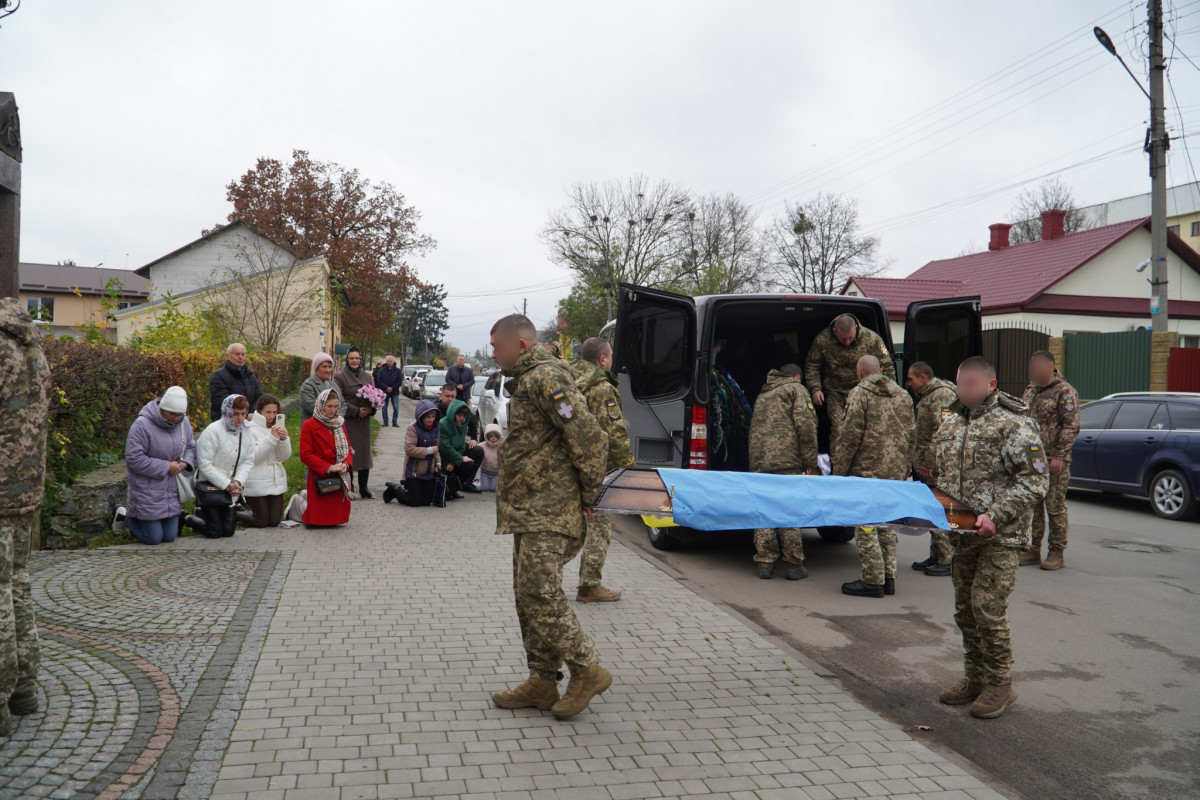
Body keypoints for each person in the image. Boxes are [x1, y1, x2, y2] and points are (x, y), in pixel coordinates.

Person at [488, 313, 611, 720]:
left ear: (521, 346)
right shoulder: (527, 379)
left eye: (497, 346)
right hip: (528, 508)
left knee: (541, 592)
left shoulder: (545, 378)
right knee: (527, 596)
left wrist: (591, 493)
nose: (492, 353)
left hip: (549, 507)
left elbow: (590, 437)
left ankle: (586, 669)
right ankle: (542, 680)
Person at [935, 356, 1047, 719]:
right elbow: (943, 472)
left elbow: (1034, 481)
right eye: (959, 383)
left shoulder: (1013, 424)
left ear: (991, 385)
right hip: (963, 534)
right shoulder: (951, 420)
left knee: (987, 608)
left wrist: (995, 516)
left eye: (970, 384)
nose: (962, 390)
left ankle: (1000, 683)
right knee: (965, 610)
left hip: (1002, 536)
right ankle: (975, 678)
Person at [0, 298, 51, 735]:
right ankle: (23, 689)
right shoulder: (29, 344)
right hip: (25, 487)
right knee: (16, 584)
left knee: (2, 592)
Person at [832, 355, 914, 598]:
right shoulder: (903, 396)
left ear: (859, 373)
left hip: (866, 473)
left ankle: (872, 580)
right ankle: (888, 577)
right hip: (895, 473)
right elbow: (912, 435)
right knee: (887, 523)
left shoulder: (859, 394)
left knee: (866, 523)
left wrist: (840, 473)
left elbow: (849, 438)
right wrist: (905, 468)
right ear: (880, 370)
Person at [571, 337, 635, 602]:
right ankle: (589, 585)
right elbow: (614, 431)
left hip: (568, 467)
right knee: (598, 528)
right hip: (597, 469)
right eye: (610, 356)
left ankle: (544, 580)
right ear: (602, 359)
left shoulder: (569, 380)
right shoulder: (601, 388)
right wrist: (627, 468)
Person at [747, 363, 820, 581]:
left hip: (760, 461)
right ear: (797, 377)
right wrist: (810, 461)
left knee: (765, 510)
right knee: (789, 509)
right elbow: (806, 426)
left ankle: (765, 563)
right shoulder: (796, 390)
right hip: (786, 460)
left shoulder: (764, 394)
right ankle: (794, 565)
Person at [1020, 350, 1080, 571]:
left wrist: (1060, 456)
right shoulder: (1031, 389)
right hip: (1032, 458)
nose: (1033, 371)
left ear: (1051, 367)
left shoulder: (1065, 392)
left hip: (1054, 459)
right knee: (1032, 505)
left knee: (1054, 507)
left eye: (1038, 367)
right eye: (1032, 367)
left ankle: (1056, 552)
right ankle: (1032, 550)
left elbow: (1071, 425)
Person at [805, 314, 896, 445]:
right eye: (843, 339)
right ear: (835, 332)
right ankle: (838, 463)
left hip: (865, 391)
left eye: (850, 338)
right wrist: (815, 389)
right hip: (836, 392)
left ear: (857, 328)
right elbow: (812, 365)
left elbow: (887, 366)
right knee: (839, 429)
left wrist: (888, 391)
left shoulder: (872, 338)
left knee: (867, 428)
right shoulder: (822, 340)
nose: (847, 342)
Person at [123, 386, 195, 546]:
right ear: (162, 409)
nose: (176, 418)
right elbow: (134, 459)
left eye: (180, 415)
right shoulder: (142, 425)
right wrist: (165, 467)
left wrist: (186, 462)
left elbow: (190, 446)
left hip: (171, 488)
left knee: (169, 537)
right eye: (172, 414)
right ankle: (126, 518)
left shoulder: (184, 423)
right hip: (147, 488)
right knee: (153, 539)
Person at [907, 361, 960, 577]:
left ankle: (946, 559)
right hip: (925, 464)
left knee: (938, 507)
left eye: (911, 379)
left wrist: (930, 462)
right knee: (930, 506)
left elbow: (942, 433)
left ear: (923, 377)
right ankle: (936, 554)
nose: (908, 383)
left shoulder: (942, 396)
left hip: (935, 466)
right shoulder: (928, 396)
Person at [194, 394, 256, 539]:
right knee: (215, 532)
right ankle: (189, 518)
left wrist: (238, 481)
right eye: (235, 414)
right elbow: (205, 464)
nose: (240, 418)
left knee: (228, 532)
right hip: (210, 484)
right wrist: (226, 484)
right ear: (227, 412)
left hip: (232, 486)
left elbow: (248, 460)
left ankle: (210, 515)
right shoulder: (213, 431)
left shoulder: (247, 431)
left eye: (243, 414)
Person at [299, 389, 354, 526]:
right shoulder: (309, 425)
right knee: (318, 518)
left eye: (336, 406)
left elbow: (347, 448)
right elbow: (305, 454)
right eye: (329, 406)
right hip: (320, 474)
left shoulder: (339, 423)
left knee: (336, 517)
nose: (333, 410)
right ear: (320, 405)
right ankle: (298, 505)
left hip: (338, 474)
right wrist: (329, 467)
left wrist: (346, 465)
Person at [242, 394, 292, 528]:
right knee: (261, 521)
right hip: (257, 476)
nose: (271, 416)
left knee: (274, 521)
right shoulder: (250, 428)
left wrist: (283, 440)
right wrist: (271, 438)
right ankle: (233, 512)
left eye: (275, 412)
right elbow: (254, 457)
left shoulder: (277, 427)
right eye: (268, 412)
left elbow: (283, 457)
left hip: (275, 477)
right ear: (259, 411)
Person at [333, 347, 376, 499]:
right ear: (347, 360)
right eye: (352, 358)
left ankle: (364, 488)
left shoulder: (366, 376)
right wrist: (356, 410)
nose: (354, 361)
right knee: (349, 454)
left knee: (364, 455)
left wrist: (371, 408)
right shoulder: (339, 377)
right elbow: (339, 399)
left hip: (364, 423)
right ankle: (349, 487)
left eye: (357, 358)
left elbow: (373, 395)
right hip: (349, 422)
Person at [383, 400, 442, 507]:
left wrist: (438, 463)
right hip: (414, 470)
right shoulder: (413, 428)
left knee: (426, 502)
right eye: (428, 417)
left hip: (429, 470)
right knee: (414, 502)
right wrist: (428, 450)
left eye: (433, 417)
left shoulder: (436, 428)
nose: (431, 420)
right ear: (421, 416)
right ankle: (395, 490)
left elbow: (436, 448)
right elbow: (409, 449)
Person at [439, 399, 484, 497]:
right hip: (444, 458)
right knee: (468, 464)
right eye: (459, 415)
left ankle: (464, 483)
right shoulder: (443, 424)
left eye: (464, 416)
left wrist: (455, 461)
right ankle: (451, 487)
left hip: (455, 455)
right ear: (453, 413)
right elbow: (444, 447)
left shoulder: (462, 425)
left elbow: (461, 445)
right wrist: (458, 459)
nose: (462, 418)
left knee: (477, 452)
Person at [209, 343, 262, 423]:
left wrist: (252, 413)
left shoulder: (250, 376)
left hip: (248, 424)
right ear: (228, 356)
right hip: (225, 424)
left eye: (243, 354)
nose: (240, 357)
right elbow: (222, 401)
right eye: (237, 354)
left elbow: (259, 397)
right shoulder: (218, 376)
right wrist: (245, 415)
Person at [299, 352, 344, 424]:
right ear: (317, 368)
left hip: (334, 427)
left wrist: (338, 418)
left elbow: (343, 404)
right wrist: (332, 416)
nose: (328, 370)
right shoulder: (308, 385)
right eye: (324, 367)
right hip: (314, 427)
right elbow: (310, 405)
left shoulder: (334, 385)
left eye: (330, 367)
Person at [375, 355, 404, 427]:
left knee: (396, 407)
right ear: (386, 362)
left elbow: (399, 381)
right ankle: (385, 422)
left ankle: (394, 422)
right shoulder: (382, 370)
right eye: (388, 361)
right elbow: (379, 380)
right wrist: (386, 387)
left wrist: (392, 388)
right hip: (385, 391)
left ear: (393, 361)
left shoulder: (398, 371)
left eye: (391, 361)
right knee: (384, 407)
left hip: (395, 391)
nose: (389, 362)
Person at [479, 424, 501, 492]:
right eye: (491, 436)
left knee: (493, 489)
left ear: (499, 437)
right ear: (487, 437)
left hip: (495, 473)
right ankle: (478, 483)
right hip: (484, 472)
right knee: (484, 488)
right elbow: (475, 448)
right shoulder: (482, 445)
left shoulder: (501, 446)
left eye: (495, 436)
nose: (493, 438)